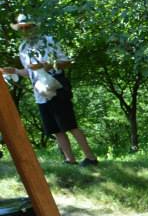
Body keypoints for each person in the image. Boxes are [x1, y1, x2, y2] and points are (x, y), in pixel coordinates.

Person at [2, 14, 97, 165]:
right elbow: (28, 72)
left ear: (34, 27)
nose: (26, 30)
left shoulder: (49, 41)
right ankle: (69, 159)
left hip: (56, 87)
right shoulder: (23, 48)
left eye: (28, 26)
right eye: (22, 28)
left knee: (70, 124)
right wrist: (13, 71)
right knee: (55, 129)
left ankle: (90, 158)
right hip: (40, 93)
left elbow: (67, 61)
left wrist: (48, 65)